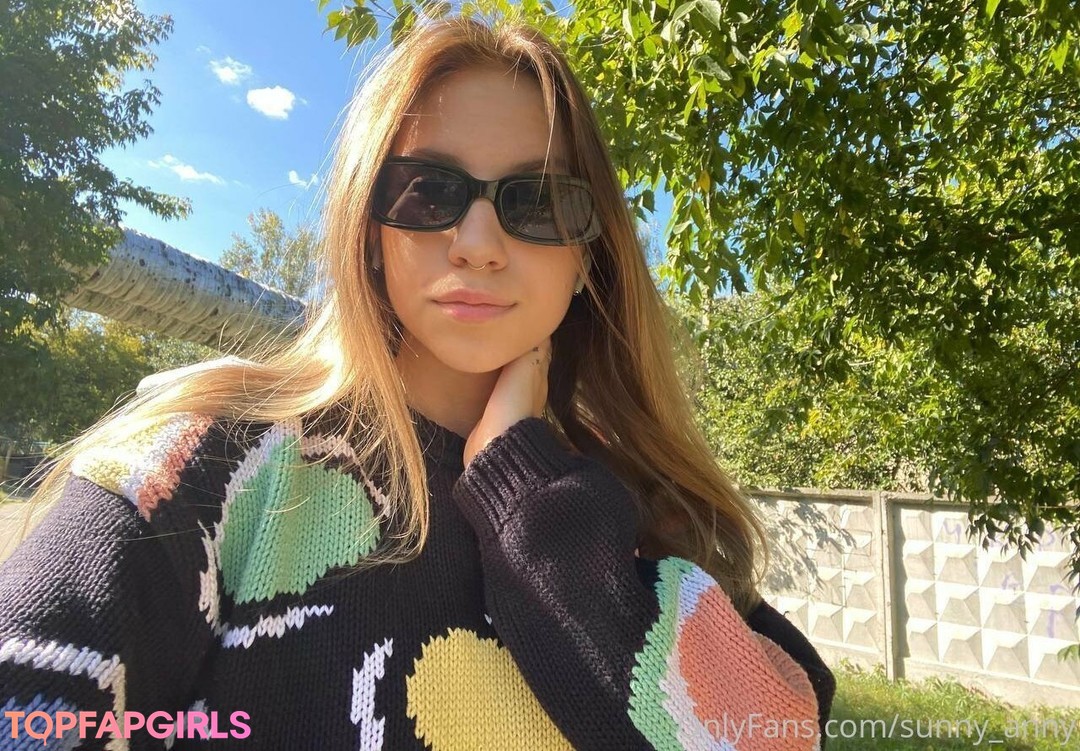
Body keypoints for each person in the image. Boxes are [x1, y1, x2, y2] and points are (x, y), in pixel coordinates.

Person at [0, 15, 835, 751]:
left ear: (589, 256)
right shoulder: (204, 469)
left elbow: (785, 728)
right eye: (428, 191)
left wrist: (528, 493)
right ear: (369, 230)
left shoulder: (633, 503)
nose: (478, 242)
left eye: (537, 201)